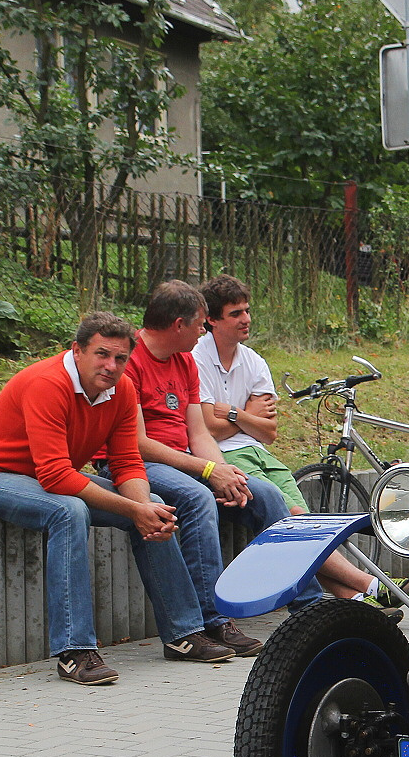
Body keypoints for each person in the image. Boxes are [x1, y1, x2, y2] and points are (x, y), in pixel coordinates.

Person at [0, 314, 223, 685]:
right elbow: (55, 476)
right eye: (102, 354)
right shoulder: (47, 383)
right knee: (68, 510)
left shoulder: (122, 390)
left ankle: (183, 633)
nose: (111, 366)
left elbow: (127, 462)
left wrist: (144, 509)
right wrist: (134, 509)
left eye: (120, 358)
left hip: (43, 476)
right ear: (77, 350)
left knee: (151, 502)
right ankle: (75, 652)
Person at [126, 280, 325, 659]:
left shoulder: (185, 361)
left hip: (184, 458)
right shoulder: (131, 360)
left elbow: (198, 433)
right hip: (142, 462)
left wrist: (223, 472)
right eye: (200, 324)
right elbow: (137, 443)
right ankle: (214, 619)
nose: (203, 332)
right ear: (179, 325)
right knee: (198, 497)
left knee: (266, 493)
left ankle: (309, 608)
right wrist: (207, 471)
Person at [193, 275, 409, 604]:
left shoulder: (253, 361)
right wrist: (249, 416)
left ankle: (353, 598)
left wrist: (232, 413)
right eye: (235, 314)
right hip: (224, 457)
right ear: (212, 320)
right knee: (293, 520)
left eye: (247, 311)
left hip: (259, 452)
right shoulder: (197, 359)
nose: (246, 319)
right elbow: (207, 429)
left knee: (302, 520)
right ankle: (372, 586)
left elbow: (269, 432)